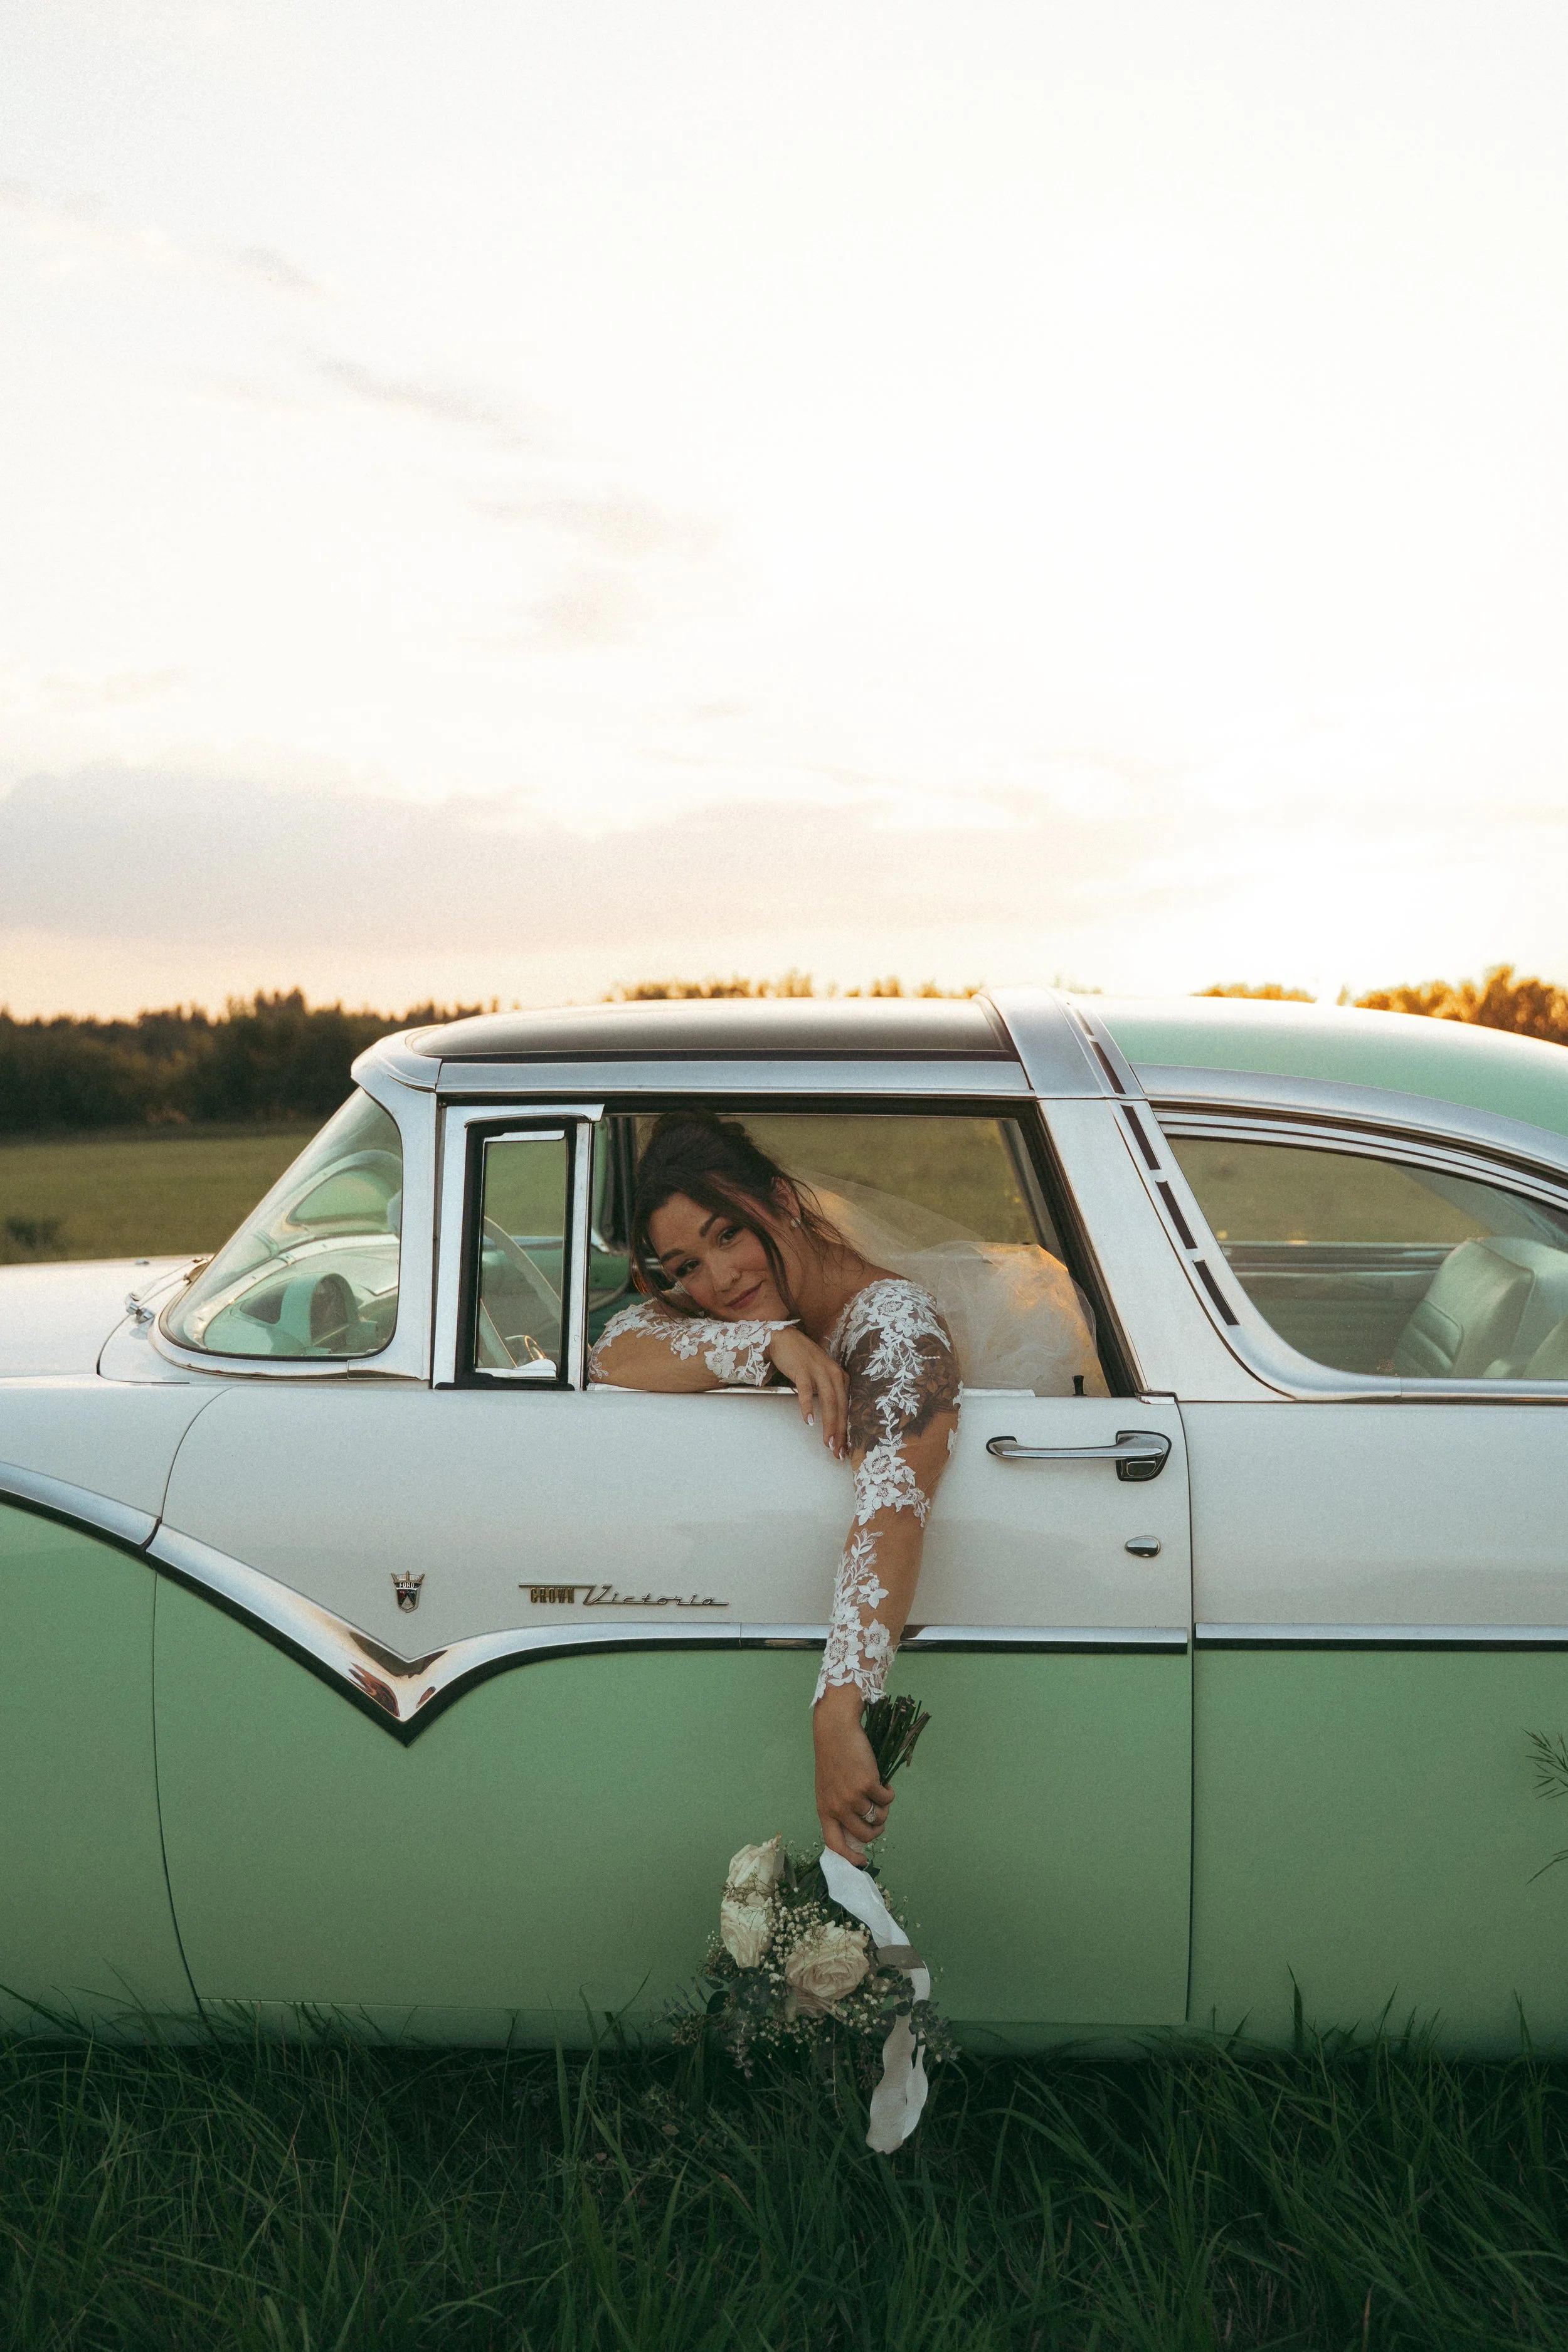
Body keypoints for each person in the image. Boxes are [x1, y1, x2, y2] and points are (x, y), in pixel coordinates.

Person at [588, 1111, 960, 1867]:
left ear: (783, 1203)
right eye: (686, 1266)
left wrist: (837, 1712)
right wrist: (762, 1343)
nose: (718, 1280)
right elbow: (616, 1348)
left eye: (730, 1234)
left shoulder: (894, 1323)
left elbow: (894, 1504)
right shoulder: (756, 1319)